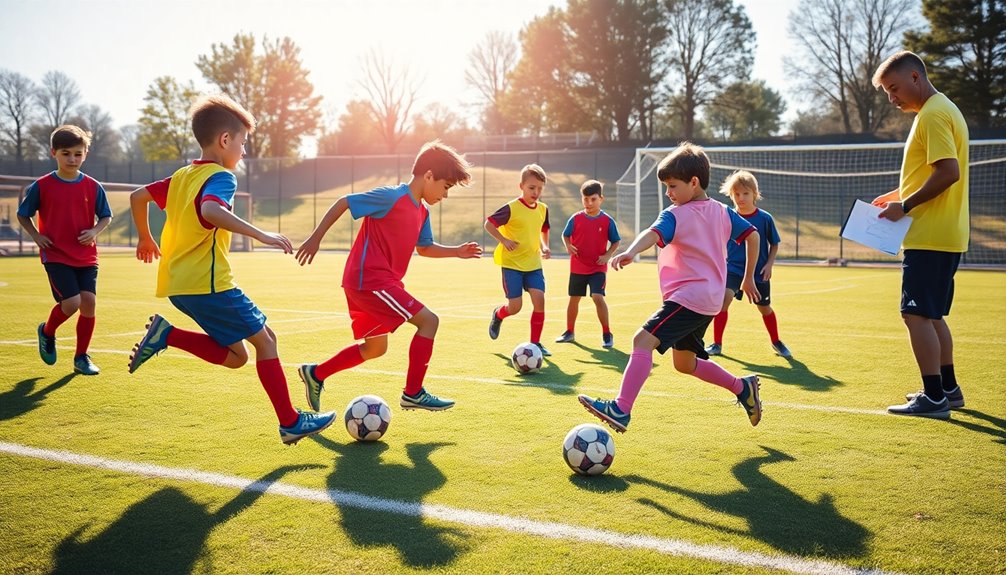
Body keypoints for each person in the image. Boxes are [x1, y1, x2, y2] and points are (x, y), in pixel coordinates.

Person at [127, 94, 335, 445]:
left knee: (238, 355)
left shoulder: (181, 176)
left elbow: (137, 196)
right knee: (267, 341)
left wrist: (146, 238)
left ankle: (167, 335)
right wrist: (260, 233)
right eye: (243, 142)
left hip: (178, 285)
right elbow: (210, 211)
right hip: (208, 283)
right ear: (225, 140)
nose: (243, 150)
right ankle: (290, 422)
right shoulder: (222, 177)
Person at [578, 142, 764, 433]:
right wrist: (748, 277)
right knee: (685, 363)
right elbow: (753, 236)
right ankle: (743, 388)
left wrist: (631, 251)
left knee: (642, 341)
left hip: (689, 297)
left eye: (673, 186)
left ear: (693, 182)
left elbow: (651, 233)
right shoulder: (723, 212)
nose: (668, 193)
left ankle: (621, 409)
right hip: (710, 301)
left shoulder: (674, 214)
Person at [295, 140, 481, 413]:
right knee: (429, 322)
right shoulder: (392, 197)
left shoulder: (422, 211)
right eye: (446, 187)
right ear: (429, 175)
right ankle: (413, 393)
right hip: (370, 280)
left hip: (371, 283)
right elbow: (344, 202)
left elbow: (425, 248)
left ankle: (316, 374)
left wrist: (456, 252)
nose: (445, 195)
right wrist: (315, 238)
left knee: (374, 349)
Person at [871, 51, 969, 420]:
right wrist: (898, 196)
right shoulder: (943, 109)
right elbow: (934, 172)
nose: (892, 98)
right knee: (931, 316)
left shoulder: (933, 114)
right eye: (886, 92)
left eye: (894, 88)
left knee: (915, 316)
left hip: (929, 234)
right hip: (944, 233)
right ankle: (948, 389)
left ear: (915, 77)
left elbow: (948, 172)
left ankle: (933, 398)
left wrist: (906, 206)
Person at [17, 125, 112, 376]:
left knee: (89, 303)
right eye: (66, 153)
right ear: (53, 153)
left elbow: (106, 217)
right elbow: (23, 215)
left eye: (78, 154)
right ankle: (47, 332)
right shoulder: (42, 186)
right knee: (71, 303)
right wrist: (37, 236)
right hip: (56, 254)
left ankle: (81, 357)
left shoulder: (93, 186)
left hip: (86, 255)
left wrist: (94, 232)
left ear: (86, 154)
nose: (72, 159)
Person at [705, 170, 791, 358]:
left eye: (745, 193)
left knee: (764, 308)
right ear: (731, 194)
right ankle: (717, 344)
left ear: (755, 194)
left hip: (758, 272)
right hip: (733, 269)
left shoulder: (765, 218)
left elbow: (774, 244)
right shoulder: (727, 216)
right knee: (723, 302)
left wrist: (769, 264)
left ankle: (776, 341)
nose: (740, 198)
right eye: (736, 194)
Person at [485, 164, 552, 356]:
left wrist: (544, 246)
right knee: (515, 307)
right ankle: (498, 315)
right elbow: (489, 224)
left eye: (540, 188)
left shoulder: (543, 209)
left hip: (533, 264)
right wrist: (504, 240)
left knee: (539, 300)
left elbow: (543, 229)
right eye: (532, 188)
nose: (536, 192)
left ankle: (536, 344)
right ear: (521, 186)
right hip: (512, 265)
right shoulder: (511, 208)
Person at [555, 179, 621, 348]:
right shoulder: (575, 218)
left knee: (597, 297)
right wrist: (568, 246)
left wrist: (607, 255)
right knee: (574, 299)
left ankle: (607, 333)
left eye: (593, 199)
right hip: (578, 266)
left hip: (597, 267)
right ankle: (569, 332)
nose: (589, 203)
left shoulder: (607, 221)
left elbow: (616, 241)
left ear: (601, 199)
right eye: (585, 199)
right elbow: (565, 235)